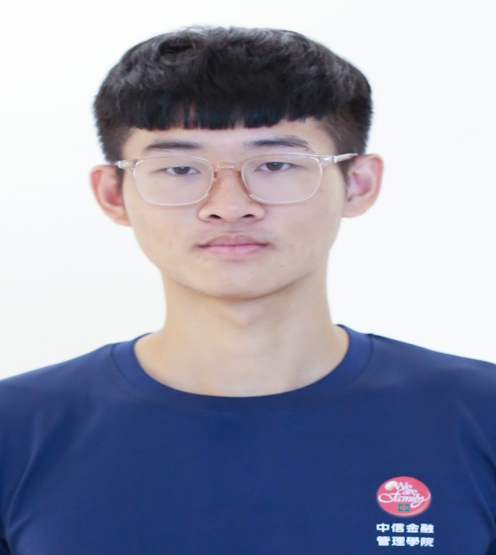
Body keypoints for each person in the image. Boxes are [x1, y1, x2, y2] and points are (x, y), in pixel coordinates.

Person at [0, 26, 495, 555]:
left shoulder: (479, 414)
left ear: (358, 183)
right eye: (180, 168)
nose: (230, 205)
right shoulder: (15, 428)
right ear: (113, 194)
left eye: (276, 164)